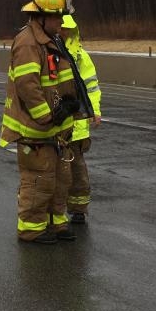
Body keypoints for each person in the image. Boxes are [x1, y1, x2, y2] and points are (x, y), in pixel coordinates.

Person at [0, 0, 82, 245]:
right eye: (57, 17)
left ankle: (57, 223)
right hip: (36, 128)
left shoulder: (51, 38)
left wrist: (70, 104)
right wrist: (48, 116)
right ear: (41, 17)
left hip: (56, 129)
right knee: (39, 179)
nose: (61, 22)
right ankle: (31, 229)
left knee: (60, 178)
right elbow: (28, 85)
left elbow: (58, 78)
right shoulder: (27, 42)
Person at [60, 14, 102, 224]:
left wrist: (95, 111)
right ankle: (52, 212)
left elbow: (91, 87)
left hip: (76, 127)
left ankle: (78, 209)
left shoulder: (80, 58)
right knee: (54, 172)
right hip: (55, 125)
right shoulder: (48, 54)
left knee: (77, 173)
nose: (64, 33)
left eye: (67, 30)